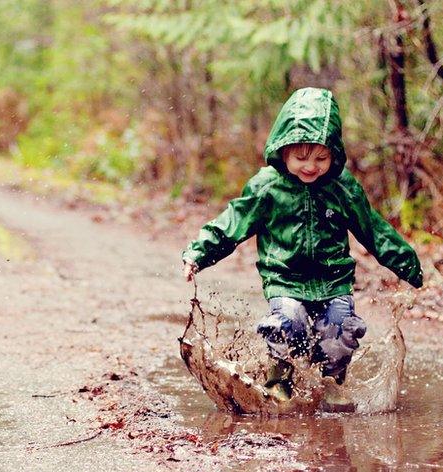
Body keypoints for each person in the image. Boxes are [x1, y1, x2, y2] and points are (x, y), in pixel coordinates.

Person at [181, 88, 422, 408]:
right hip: (285, 278)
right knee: (288, 323)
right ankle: (278, 381)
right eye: (301, 157)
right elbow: (231, 223)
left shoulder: (342, 187)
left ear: (333, 155)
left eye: (321, 158)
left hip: (333, 280)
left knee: (339, 332)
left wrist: (406, 263)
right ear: (283, 151)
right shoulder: (267, 187)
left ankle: (332, 383)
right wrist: (199, 253)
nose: (311, 166)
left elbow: (373, 229)